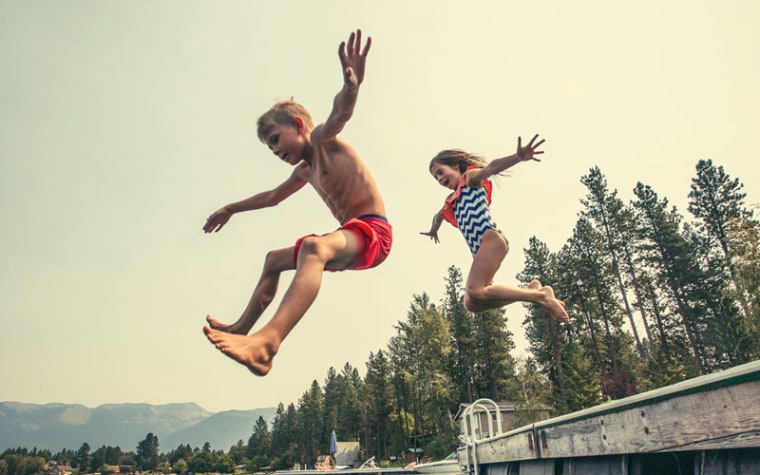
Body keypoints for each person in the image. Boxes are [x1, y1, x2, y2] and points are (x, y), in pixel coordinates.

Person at [202, 29, 391, 376]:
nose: (276, 151)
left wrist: (352, 87)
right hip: (350, 234)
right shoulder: (305, 170)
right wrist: (231, 208)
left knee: (313, 249)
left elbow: (340, 113)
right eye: (270, 149)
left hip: (373, 233)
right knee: (273, 260)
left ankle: (267, 344)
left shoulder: (323, 140)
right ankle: (243, 328)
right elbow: (272, 197)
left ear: (299, 125)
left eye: (276, 140)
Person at [420, 135, 569, 323]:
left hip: (490, 238)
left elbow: (491, 168)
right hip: (481, 248)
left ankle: (541, 296)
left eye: (441, 172)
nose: (440, 179)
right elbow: (438, 216)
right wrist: (433, 230)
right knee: (472, 302)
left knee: (474, 291)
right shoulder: (451, 201)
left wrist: (518, 157)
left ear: (456, 166)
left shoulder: (470, 179)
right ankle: (531, 292)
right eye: (436, 177)